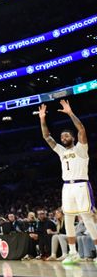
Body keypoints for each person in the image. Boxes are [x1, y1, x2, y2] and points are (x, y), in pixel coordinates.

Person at [39, 100, 97, 265]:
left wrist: (70, 113)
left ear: (72, 138)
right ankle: (73, 253)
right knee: (69, 218)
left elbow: (81, 129)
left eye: (66, 135)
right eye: (62, 136)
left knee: (86, 218)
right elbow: (46, 137)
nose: (63, 137)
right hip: (67, 187)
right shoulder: (61, 151)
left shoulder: (81, 148)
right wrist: (42, 119)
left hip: (81, 185)